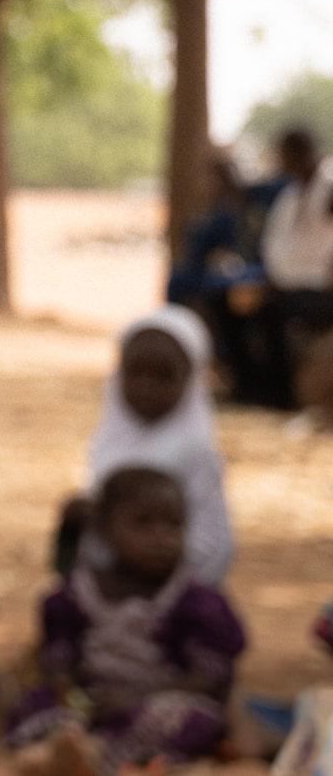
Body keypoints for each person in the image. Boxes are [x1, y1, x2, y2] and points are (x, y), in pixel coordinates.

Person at [7, 467, 247, 775]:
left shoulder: (195, 601)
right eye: (143, 524)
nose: (161, 538)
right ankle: (58, 750)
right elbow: (58, 655)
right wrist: (69, 689)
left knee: (186, 718)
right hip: (91, 701)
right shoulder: (79, 592)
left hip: (157, 699)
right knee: (44, 704)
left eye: (174, 525)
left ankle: (94, 757)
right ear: (104, 530)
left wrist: (138, 697)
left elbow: (211, 677)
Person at [69, 306, 234, 585]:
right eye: (136, 373)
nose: (146, 386)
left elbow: (215, 543)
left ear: (190, 379)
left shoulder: (195, 450)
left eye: (163, 376)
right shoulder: (108, 440)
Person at [167, 152, 271, 396]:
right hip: (204, 275)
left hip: (229, 274)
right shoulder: (213, 210)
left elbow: (241, 250)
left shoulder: (234, 212)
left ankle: (224, 364)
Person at [257, 127, 333, 408]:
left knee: (271, 311)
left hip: (318, 288)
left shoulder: (328, 187)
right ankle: (260, 389)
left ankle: (284, 396)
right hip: (288, 282)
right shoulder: (292, 192)